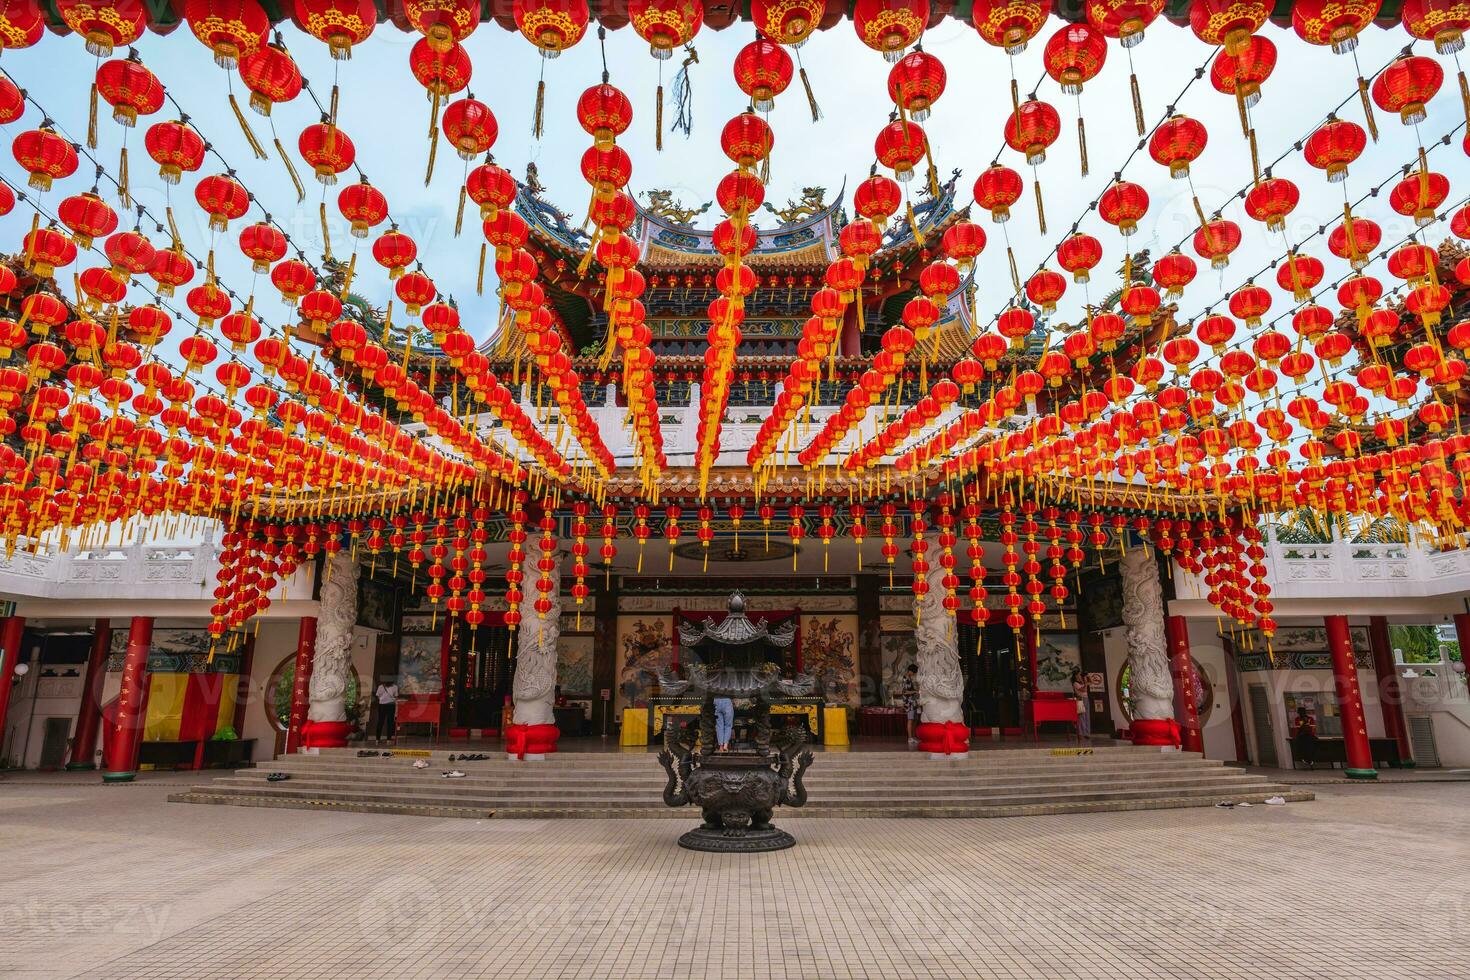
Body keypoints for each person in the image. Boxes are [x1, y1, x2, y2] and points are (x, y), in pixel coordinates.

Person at [374, 676, 399, 743]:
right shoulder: (381, 687)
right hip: (383, 705)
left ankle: (388, 739)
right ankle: (378, 739)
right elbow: (378, 696)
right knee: (381, 722)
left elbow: (396, 697)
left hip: (390, 705)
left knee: (389, 722)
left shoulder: (395, 687)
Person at [900, 665, 920, 746]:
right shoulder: (905, 679)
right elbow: (905, 692)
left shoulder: (910, 679)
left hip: (913, 702)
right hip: (909, 703)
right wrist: (915, 691)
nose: (914, 674)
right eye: (914, 672)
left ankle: (913, 737)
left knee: (915, 719)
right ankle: (910, 738)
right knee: (910, 720)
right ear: (910, 671)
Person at [1071, 668, 1091, 744]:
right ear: (1076, 676)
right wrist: (1085, 682)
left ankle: (1087, 732)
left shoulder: (1082, 681)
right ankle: (1081, 733)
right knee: (1081, 716)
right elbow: (1084, 690)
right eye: (1079, 674)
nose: (1080, 676)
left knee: (1087, 716)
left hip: (1086, 698)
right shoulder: (1075, 683)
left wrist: (1087, 677)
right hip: (1080, 699)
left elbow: (1090, 683)